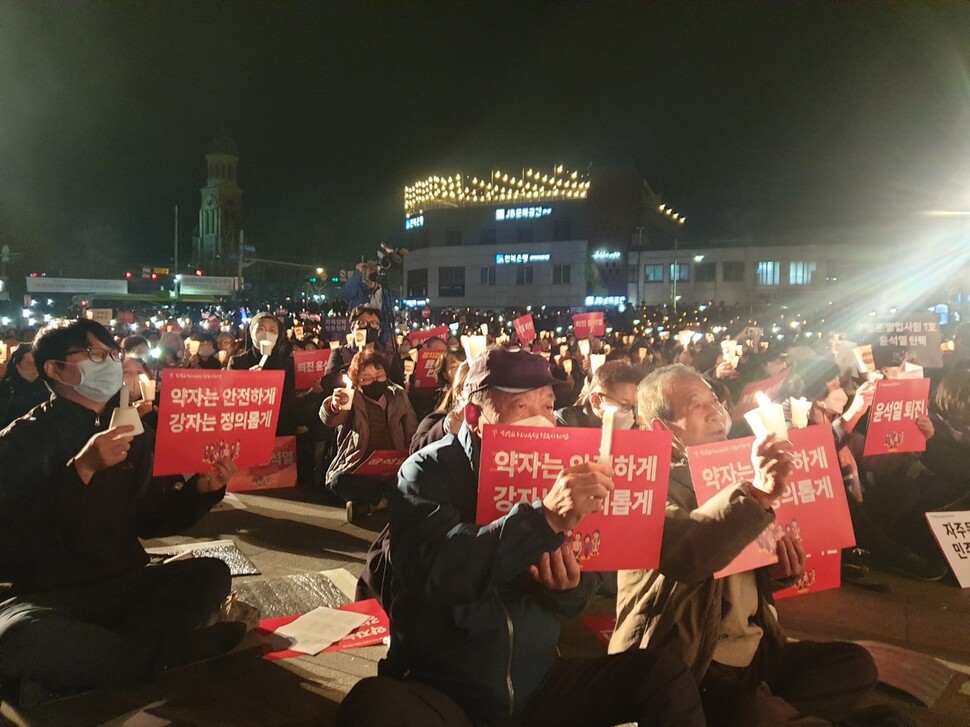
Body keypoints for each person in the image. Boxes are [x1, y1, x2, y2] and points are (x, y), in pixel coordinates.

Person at [338, 349, 705, 727]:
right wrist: (542, 518)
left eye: (547, 406)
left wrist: (566, 588)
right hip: (447, 692)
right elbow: (437, 573)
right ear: (475, 417)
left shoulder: (566, 473)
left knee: (663, 677)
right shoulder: (426, 472)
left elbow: (581, 594)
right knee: (372, 705)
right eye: (520, 407)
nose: (541, 420)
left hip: (538, 686)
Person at [610, 364, 878, 726]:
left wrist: (780, 572)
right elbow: (689, 555)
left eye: (714, 399)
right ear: (663, 429)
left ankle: (766, 712)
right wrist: (756, 494)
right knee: (752, 713)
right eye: (695, 405)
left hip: (754, 650)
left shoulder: (747, 469)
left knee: (854, 665)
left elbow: (748, 576)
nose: (716, 410)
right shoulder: (645, 485)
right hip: (688, 665)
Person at [0, 319, 245, 703]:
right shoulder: (21, 439)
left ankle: (99, 663)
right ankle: (167, 654)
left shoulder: (133, 433)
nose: (111, 363)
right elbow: (10, 541)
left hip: (123, 582)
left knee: (210, 573)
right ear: (55, 369)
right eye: (97, 354)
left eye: (114, 354)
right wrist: (81, 470)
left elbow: (149, 518)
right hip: (50, 595)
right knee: (17, 637)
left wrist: (200, 491)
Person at [320, 349, 417, 522]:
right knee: (338, 482)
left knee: (417, 476)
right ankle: (389, 499)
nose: (374, 381)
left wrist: (411, 459)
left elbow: (412, 430)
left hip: (393, 467)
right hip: (359, 468)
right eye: (366, 378)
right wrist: (333, 406)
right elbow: (330, 419)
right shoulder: (350, 399)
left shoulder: (398, 395)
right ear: (356, 382)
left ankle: (375, 503)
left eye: (379, 375)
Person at [228, 312, 296, 435]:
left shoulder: (286, 364)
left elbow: (290, 401)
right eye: (261, 329)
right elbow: (230, 399)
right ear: (251, 332)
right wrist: (247, 380)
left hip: (279, 428)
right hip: (246, 428)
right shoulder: (237, 362)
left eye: (272, 330)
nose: (266, 334)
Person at [321, 305, 404, 395]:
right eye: (362, 323)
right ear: (352, 328)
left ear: (379, 331)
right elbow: (328, 383)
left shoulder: (389, 356)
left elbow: (398, 386)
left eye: (374, 323)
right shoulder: (340, 353)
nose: (368, 327)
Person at [555, 359, 640, 429]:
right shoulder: (566, 424)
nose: (631, 415)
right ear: (595, 400)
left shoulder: (636, 426)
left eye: (634, 407)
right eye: (625, 406)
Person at [0, 345, 49, 430]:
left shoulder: (48, 388)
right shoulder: (5, 389)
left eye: (37, 364)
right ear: (17, 364)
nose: (34, 368)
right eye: (29, 364)